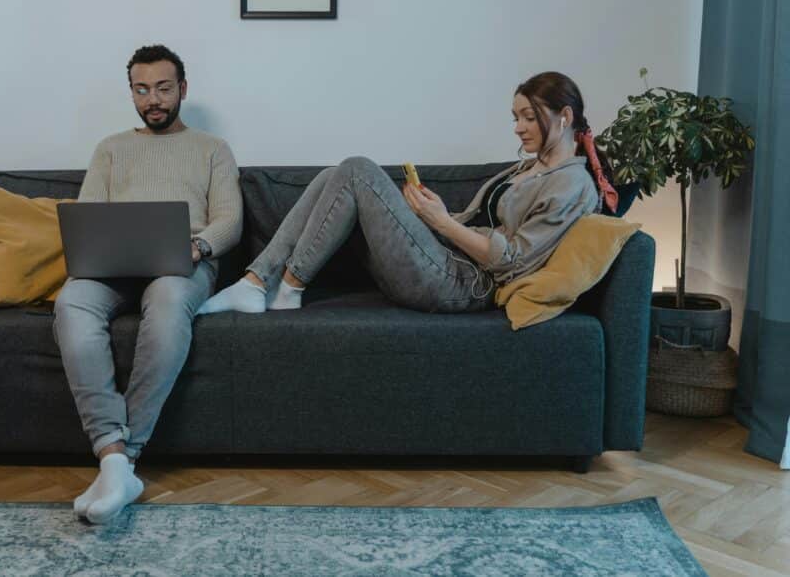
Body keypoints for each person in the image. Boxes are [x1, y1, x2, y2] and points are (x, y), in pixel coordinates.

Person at [198, 71, 617, 317]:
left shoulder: (571, 183)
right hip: (444, 259)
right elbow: (476, 221)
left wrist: (442, 223)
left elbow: (513, 260)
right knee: (335, 174)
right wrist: (433, 214)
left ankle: (286, 288)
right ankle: (257, 280)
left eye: (529, 117)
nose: (519, 127)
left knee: (359, 169)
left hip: (464, 284)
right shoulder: (531, 165)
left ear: (564, 118)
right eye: (515, 118)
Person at [54, 44, 242, 523]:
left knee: (168, 300)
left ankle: (122, 458)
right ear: (132, 93)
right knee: (71, 302)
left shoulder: (212, 149)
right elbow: (88, 216)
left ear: (182, 89)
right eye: (142, 90)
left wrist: (195, 249)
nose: (152, 99)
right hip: (113, 267)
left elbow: (229, 222)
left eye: (162, 88)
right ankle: (113, 456)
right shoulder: (111, 149)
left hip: (184, 262)